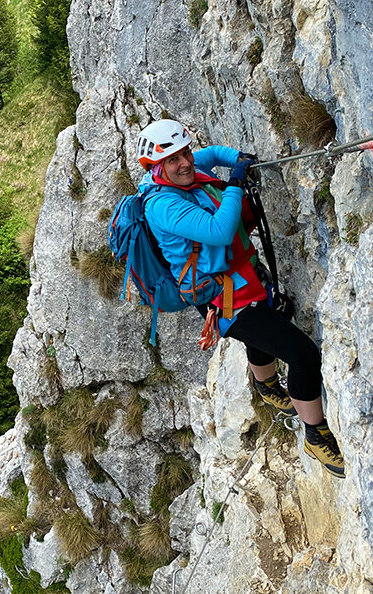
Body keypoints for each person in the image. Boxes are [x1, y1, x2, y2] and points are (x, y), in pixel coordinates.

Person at [135, 119, 345, 478]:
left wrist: (238, 158)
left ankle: (264, 384)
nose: (185, 162)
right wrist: (235, 182)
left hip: (240, 277)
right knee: (303, 354)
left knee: (264, 323)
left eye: (185, 152)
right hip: (221, 297)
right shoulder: (163, 206)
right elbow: (219, 230)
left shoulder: (183, 169)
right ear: (157, 167)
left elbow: (213, 154)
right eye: (174, 159)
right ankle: (315, 433)